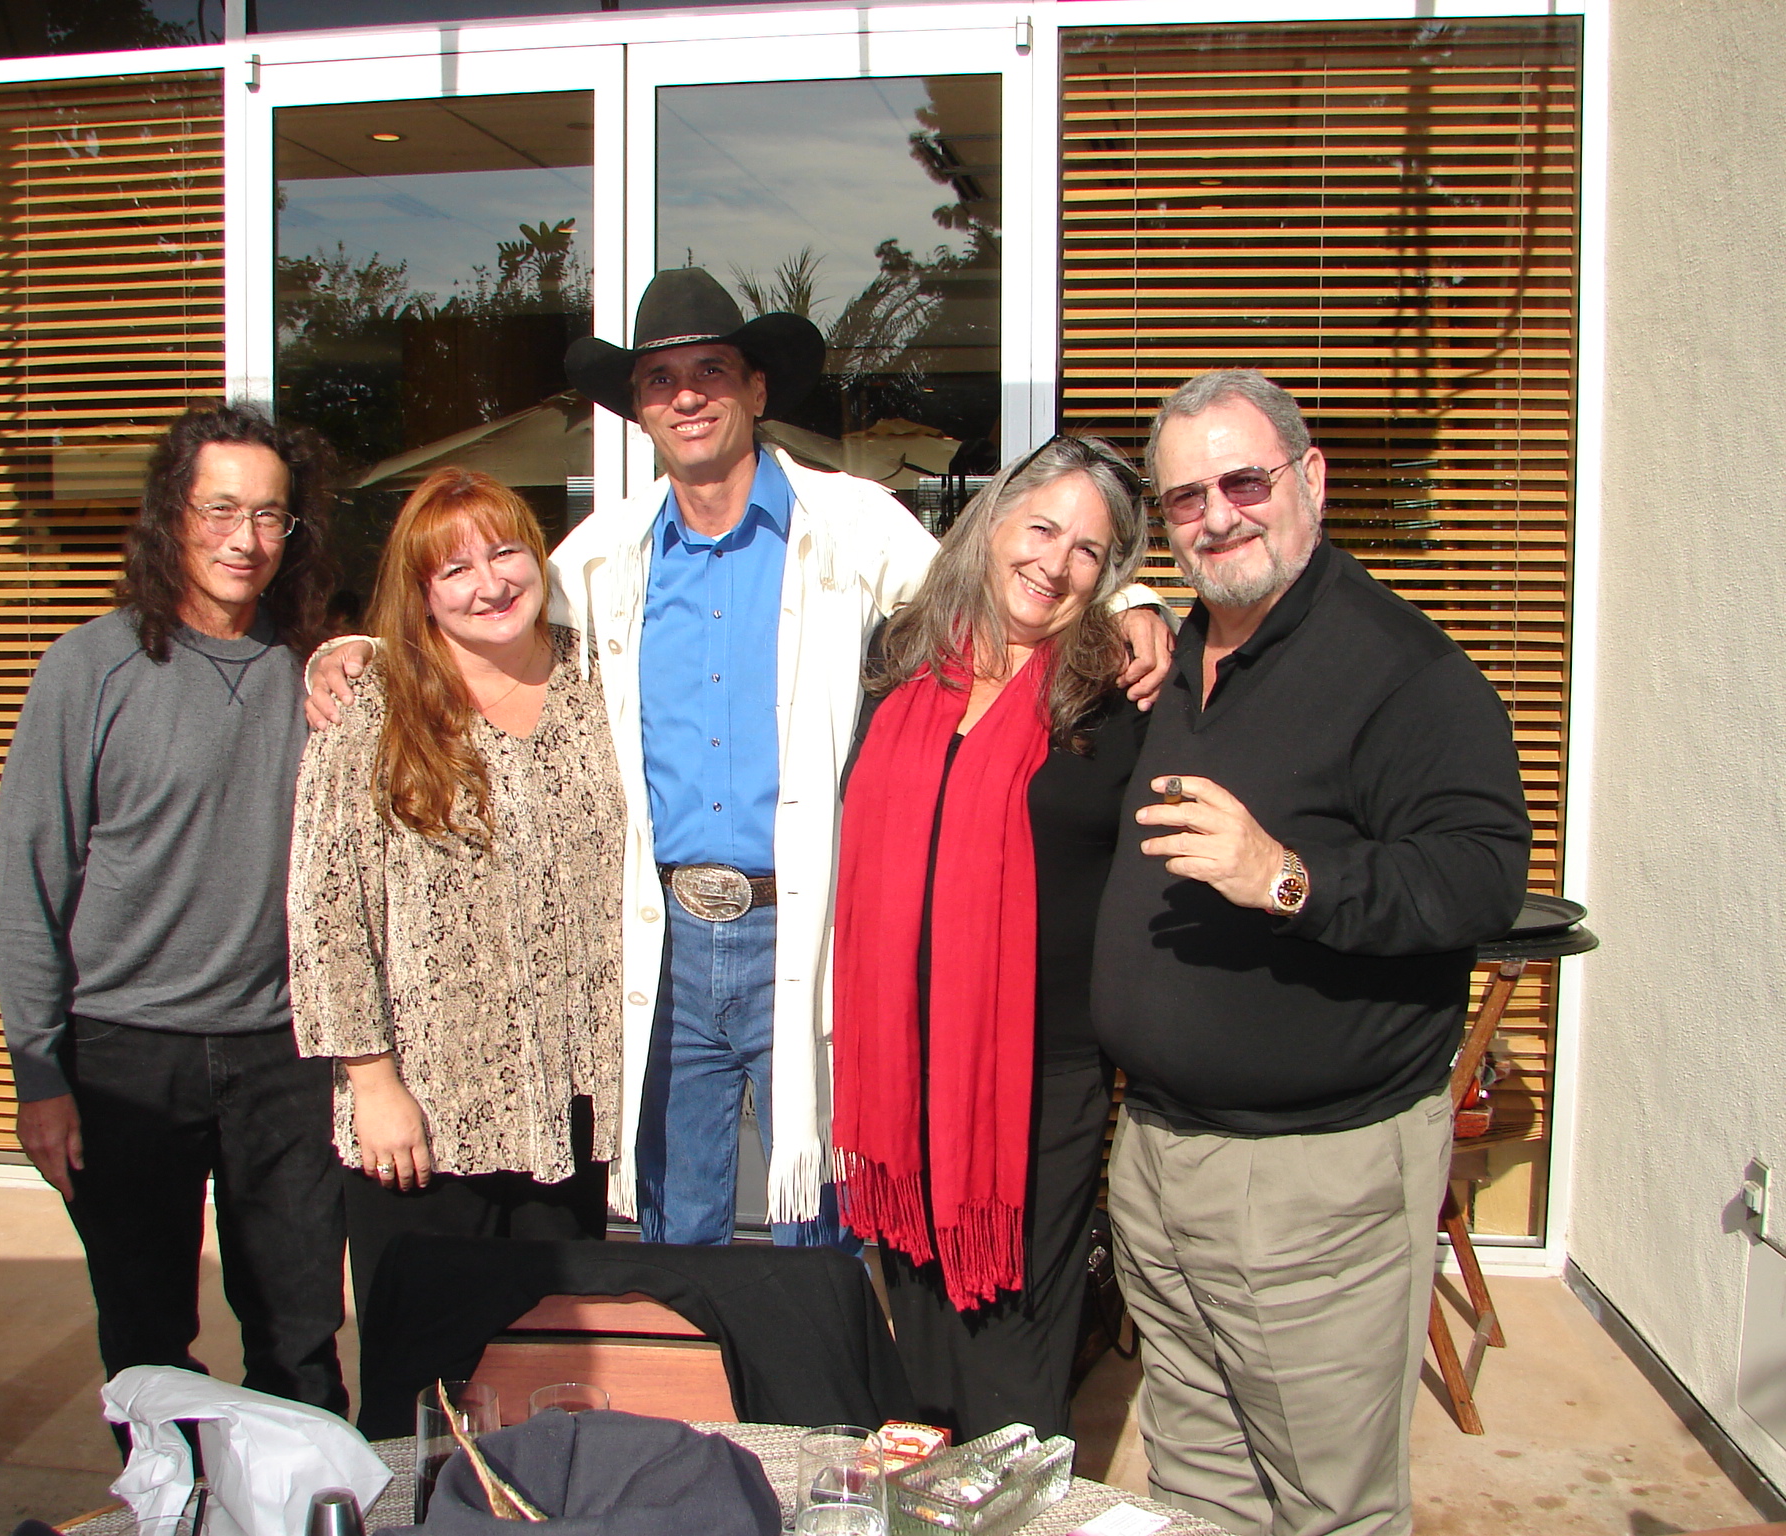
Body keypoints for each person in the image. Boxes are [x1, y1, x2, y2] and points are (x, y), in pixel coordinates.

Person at [308, 267, 1175, 1248]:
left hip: (801, 931)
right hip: (665, 941)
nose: (685, 396)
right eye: (659, 379)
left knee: (816, 1221)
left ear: (756, 391)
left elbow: (994, 589)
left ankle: (812, 1401)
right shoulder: (606, 552)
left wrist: (1124, 602)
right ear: (637, 409)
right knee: (679, 1228)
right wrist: (364, 653)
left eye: (710, 372)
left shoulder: (846, 523)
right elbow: (482, 620)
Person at [1094, 369, 1531, 1536]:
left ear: (1310, 480)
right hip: (1159, 1156)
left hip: (1310, 1181)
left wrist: (1282, 876)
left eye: (1244, 480)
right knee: (1199, 1489)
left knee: (1325, 1506)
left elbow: (1480, 875)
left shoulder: (1399, 671)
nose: (1217, 514)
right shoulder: (1182, 649)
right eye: (1184, 498)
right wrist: (1126, 606)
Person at [0, 402, 347, 1422]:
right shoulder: (88, 669)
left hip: (284, 1053)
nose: (246, 540)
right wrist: (40, 1072)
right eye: (221, 510)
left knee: (299, 1331)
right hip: (123, 1058)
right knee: (147, 1339)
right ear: (169, 516)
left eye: (271, 516)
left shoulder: (318, 668)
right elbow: (30, 877)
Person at [831, 435, 1152, 1442]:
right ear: (993, 522)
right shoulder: (897, 656)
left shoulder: (1116, 690)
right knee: (919, 1335)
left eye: (1090, 553)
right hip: (896, 1059)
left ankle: (1012, 1499)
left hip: (1034, 1070)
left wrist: (1159, 620)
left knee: (1014, 1337)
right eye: (1043, 527)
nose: (1055, 562)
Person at [288, 469, 625, 1315]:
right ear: (421, 593)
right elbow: (327, 912)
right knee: (423, 1375)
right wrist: (372, 1085)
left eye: (506, 552)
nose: (491, 584)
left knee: (557, 1361)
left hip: (574, 1102)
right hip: (429, 1110)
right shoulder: (373, 704)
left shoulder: (605, 682)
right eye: (455, 570)